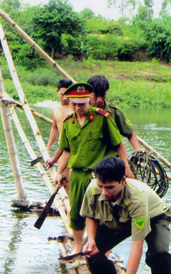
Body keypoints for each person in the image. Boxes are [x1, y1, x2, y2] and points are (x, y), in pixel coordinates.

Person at [51, 82, 134, 254]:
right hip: (78, 176)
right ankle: (79, 246)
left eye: (81, 104)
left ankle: (104, 249)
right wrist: (59, 172)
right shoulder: (68, 122)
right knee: (76, 213)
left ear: (88, 100)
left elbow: (119, 144)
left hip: (100, 176)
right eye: (74, 104)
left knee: (103, 213)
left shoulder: (102, 118)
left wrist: (125, 166)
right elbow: (67, 150)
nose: (78, 108)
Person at [81, 156, 171, 274]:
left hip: (154, 217)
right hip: (120, 219)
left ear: (123, 180)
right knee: (90, 251)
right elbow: (90, 215)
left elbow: (137, 244)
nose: (104, 192)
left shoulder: (136, 198)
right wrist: (92, 239)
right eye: (100, 186)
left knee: (159, 254)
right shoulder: (92, 189)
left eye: (110, 187)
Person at [87, 75, 141, 152]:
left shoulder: (114, 112)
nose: (99, 100)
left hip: (111, 158)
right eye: (95, 95)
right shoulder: (82, 111)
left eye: (103, 95)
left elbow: (130, 132)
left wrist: (137, 150)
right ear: (88, 94)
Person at [46, 78, 73, 195]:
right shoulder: (54, 109)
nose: (65, 97)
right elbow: (55, 128)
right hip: (61, 149)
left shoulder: (75, 108)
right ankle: (70, 208)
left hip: (74, 148)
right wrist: (48, 148)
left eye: (68, 94)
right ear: (57, 91)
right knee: (64, 180)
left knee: (74, 180)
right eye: (62, 94)